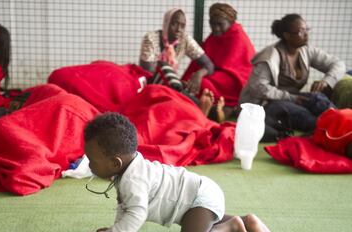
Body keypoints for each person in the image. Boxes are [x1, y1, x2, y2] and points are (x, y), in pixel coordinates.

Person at [84, 112, 273, 232]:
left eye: (92, 160)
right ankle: (246, 221)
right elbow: (124, 206)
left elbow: (136, 214)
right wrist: (115, 229)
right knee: (200, 222)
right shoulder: (128, 171)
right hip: (195, 199)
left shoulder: (134, 180)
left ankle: (232, 225)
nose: (90, 164)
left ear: (115, 163)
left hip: (199, 199)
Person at [239, 14, 346, 142]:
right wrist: (291, 98)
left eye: (307, 29)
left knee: (318, 98)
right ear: (287, 35)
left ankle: (344, 120)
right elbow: (258, 88)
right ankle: (334, 128)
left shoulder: (306, 51)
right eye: (301, 31)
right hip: (265, 105)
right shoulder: (270, 56)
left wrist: (326, 81)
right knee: (306, 116)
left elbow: (338, 64)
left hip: (292, 98)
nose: (306, 34)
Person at [182, 3, 255, 120]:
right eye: (212, 23)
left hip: (236, 81)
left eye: (220, 24)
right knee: (190, 81)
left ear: (230, 23)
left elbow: (231, 69)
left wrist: (200, 74)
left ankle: (219, 107)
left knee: (204, 83)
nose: (215, 28)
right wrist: (192, 76)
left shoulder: (237, 36)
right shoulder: (214, 36)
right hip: (217, 74)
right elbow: (201, 61)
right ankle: (212, 108)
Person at [139, 8, 216, 117]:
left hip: (171, 84)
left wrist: (198, 75)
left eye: (182, 25)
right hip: (149, 86)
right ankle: (202, 107)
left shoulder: (185, 40)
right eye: (174, 24)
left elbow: (209, 66)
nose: (178, 29)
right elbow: (148, 73)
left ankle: (202, 110)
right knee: (164, 67)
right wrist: (176, 81)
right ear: (166, 23)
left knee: (183, 87)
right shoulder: (151, 38)